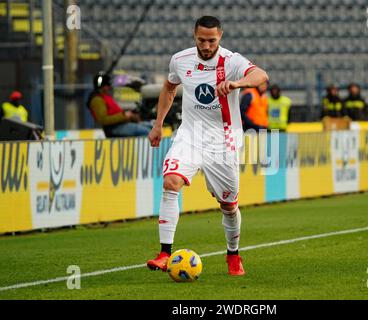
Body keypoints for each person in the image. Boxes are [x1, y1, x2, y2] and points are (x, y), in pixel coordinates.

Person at [147, 16, 269, 276]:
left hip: (223, 142)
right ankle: (165, 253)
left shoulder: (231, 61)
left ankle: (233, 255)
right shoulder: (180, 60)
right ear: (194, 36)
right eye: (201, 40)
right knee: (170, 181)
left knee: (229, 206)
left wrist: (237, 83)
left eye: (211, 40)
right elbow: (169, 89)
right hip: (190, 136)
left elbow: (260, 76)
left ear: (220, 37)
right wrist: (158, 124)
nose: (206, 45)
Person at [87, 72, 152, 137]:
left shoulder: (104, 97)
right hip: (114, 128)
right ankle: (151, 146)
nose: (109, 87)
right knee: (146, 131)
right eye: (107, 85)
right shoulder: (97, 100)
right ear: (103, 86)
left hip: (122, 124)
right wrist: (125, 115)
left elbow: (115, 112)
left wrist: (130, 115)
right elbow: (103, 120)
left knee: (150, 126)